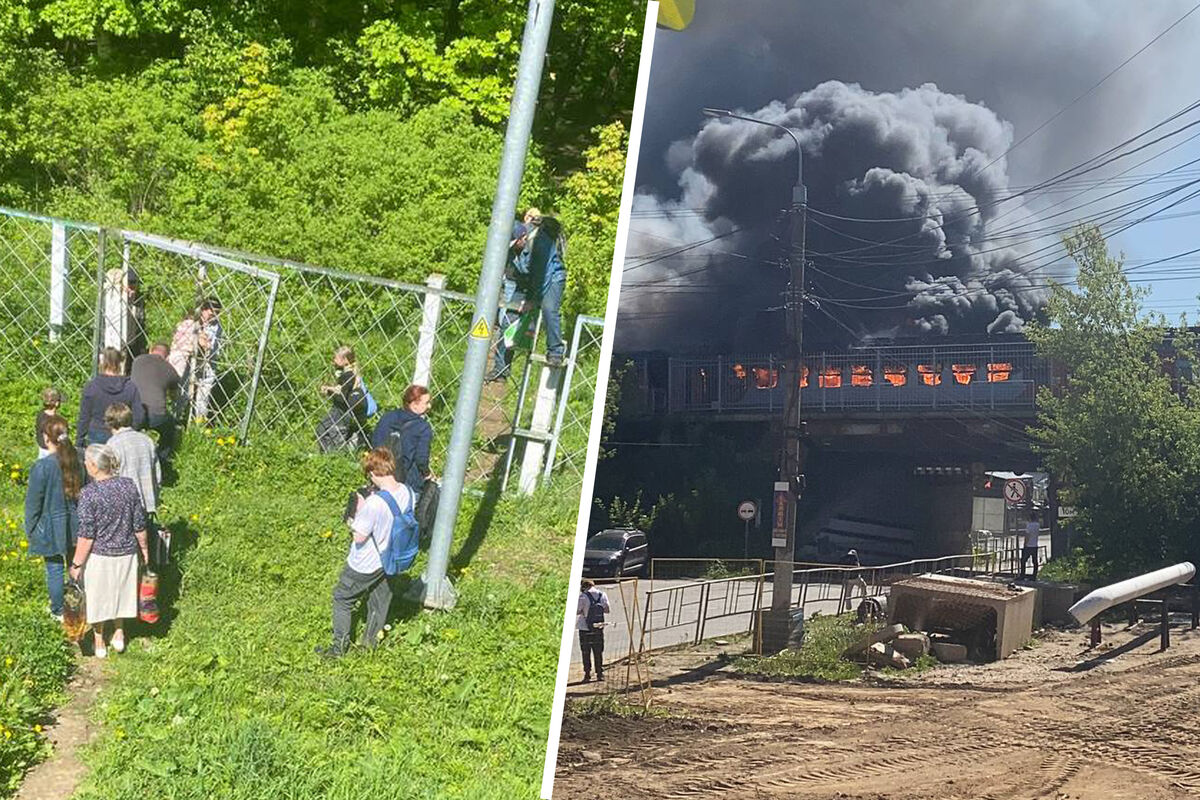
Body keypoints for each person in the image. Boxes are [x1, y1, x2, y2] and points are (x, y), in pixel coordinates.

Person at [317, 448, 415, 658]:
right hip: (390, 559)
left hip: (367, 562)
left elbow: (359, 537)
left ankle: (338, 649)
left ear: (372, 474)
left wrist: (359, 509)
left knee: (342, 598)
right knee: (379, 600)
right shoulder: (407, 492)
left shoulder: (374, 504)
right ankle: (369, 645)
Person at [69, 444, 150, 658]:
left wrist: (76, 564)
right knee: (122, 593)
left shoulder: (88, 493)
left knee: (98, 597)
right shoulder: (129, 486)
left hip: (100, 556)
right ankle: (120, 634)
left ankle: (98, 640)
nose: (84, 463)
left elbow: (86, 535)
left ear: (94, 466)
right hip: (127, 553)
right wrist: (144, 550)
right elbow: (139, 524)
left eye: (86, 460)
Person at [24, 417, 83, 621]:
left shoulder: (42, 467)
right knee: (75, 566)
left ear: (46, 438)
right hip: (77, 524)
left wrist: (30, 529)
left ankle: (58, 611)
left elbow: (33, 503)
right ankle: (83, 604)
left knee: (54, 568)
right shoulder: (79, 460)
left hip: (51, 525)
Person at [105, 403, 163, 563]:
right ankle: (146, 575)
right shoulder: (147, 441)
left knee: (127, 547)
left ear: (110, 423)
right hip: (146, 500)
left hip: (124, 504)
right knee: (144, 540)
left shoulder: (112, 444)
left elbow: (111, 476)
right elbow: (157, 474)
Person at [513, 208, 568, 367]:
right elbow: (530, 272)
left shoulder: (539, 242)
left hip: (554, 276)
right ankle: (524, 342)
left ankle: (556, 350)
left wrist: (533, 299)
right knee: (532, 307)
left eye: (516, 244)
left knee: (549, 309)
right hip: (540, 276)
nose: (516, 247)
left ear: (522, 237)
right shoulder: (524, 239)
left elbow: (542, 274)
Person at [487, 219, 531, 382]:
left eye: (515, 243)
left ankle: (503, 370)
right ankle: (501, 370)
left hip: (524, 289)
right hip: (512, 284)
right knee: (505, 324)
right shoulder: (512, 246)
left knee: (510, 327)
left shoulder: (532, 249)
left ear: (522, 237)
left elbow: (533, 273)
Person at [371, 384, 434, 494]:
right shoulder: (423, 427)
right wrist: (427, 474)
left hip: (381, 474)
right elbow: (421, 459)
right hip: (407, 482)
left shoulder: (388, 417)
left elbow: (375, 441)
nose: (429, 406)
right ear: (414, 404)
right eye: (426, 403)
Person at [76, 347, 145, 448]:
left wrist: (79, 440)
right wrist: (132, 430)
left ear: (101, 363)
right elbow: (139, 415)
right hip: (122, 434)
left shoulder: (91, 386)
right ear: (119, 363)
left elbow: (84, 417)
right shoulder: (130, 387)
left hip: (97, 433)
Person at [131, 343, 182, 465]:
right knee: (169, 430)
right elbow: (174, 397)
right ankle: (161, 461)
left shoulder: (137, 360)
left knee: (131, 433)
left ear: (150, 350)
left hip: (135, 410)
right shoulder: (171, 371)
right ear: (167, 356)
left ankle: (132, 459)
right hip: (157, 414)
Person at [316, 345, 370, 453]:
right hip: (339, 411)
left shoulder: (349, 375)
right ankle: (329, 455)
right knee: (322, 430)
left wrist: (329, 391)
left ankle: (336, 456)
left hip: (342, 412)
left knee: (334, 436)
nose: (334, 360)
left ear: (345, 360)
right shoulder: (346, 374)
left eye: (336, 358)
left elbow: (342, 396)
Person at [193, 297, 222, 421]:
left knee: (204, 393)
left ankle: (199, 421)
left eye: (217, 313)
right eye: (212, 313)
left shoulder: (216, 326)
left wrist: (204, 342)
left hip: (208, 361)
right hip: (191, 359)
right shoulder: (194, 321)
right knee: (183, 391)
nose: (214, 316)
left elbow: (210, 346)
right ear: (204, 310)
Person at [577, 579, 610, 682]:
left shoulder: (583, 596)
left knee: (586, 651)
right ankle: (599, 673)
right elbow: (607, 610)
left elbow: (577, 611)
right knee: (598, 651)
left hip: (585, 628)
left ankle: (587, 674)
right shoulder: (602, 595)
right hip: (598, 627)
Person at [124, 268, 148, 365]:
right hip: (118, 342)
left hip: (133, 342)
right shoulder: (115, 299)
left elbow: (141, 322)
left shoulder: (139, 300)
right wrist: (127, 300)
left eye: (134, 283)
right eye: (129, 283)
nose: (132, 286)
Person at [167, 310, 200, 380]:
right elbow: (198, 339)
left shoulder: (180, 324)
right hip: (183, 354)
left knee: (169, 373)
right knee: (178, 377)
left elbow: (174, 335)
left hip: (173, 352)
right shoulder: (195, 325)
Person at [35, 387, 64, 459]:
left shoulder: (40, 414)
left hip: (42, 448)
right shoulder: (56, 421)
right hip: (52, 450)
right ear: (56, 403)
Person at [838, 549, 869, 613]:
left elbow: (840, 570)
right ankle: (865, 600)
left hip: (848, 579)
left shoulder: (845, 559)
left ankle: (848, 607)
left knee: (848, 593)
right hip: (855, 578)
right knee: (863, 586)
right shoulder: (855, 559)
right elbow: (858, 567)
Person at [1021, 513, 1041, 580]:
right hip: (1035, 545)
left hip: (1028, 545)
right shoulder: (1037, 525)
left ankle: (1022, 575)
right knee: (1035, 561)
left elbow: (1027, 535)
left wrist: (1025, 544)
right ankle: (1034, 576)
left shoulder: (1029, 525)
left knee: (1023, 561)